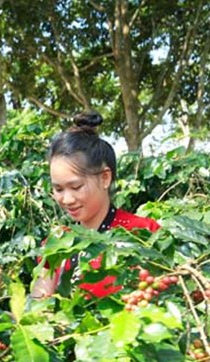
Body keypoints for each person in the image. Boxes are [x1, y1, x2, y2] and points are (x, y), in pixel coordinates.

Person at [31, 110, 160, 299]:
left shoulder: (143, 233)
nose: (66, 199)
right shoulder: (56, 244)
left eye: (76, 187)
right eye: (58, 189)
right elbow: (38, 307)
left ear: (105, 178)